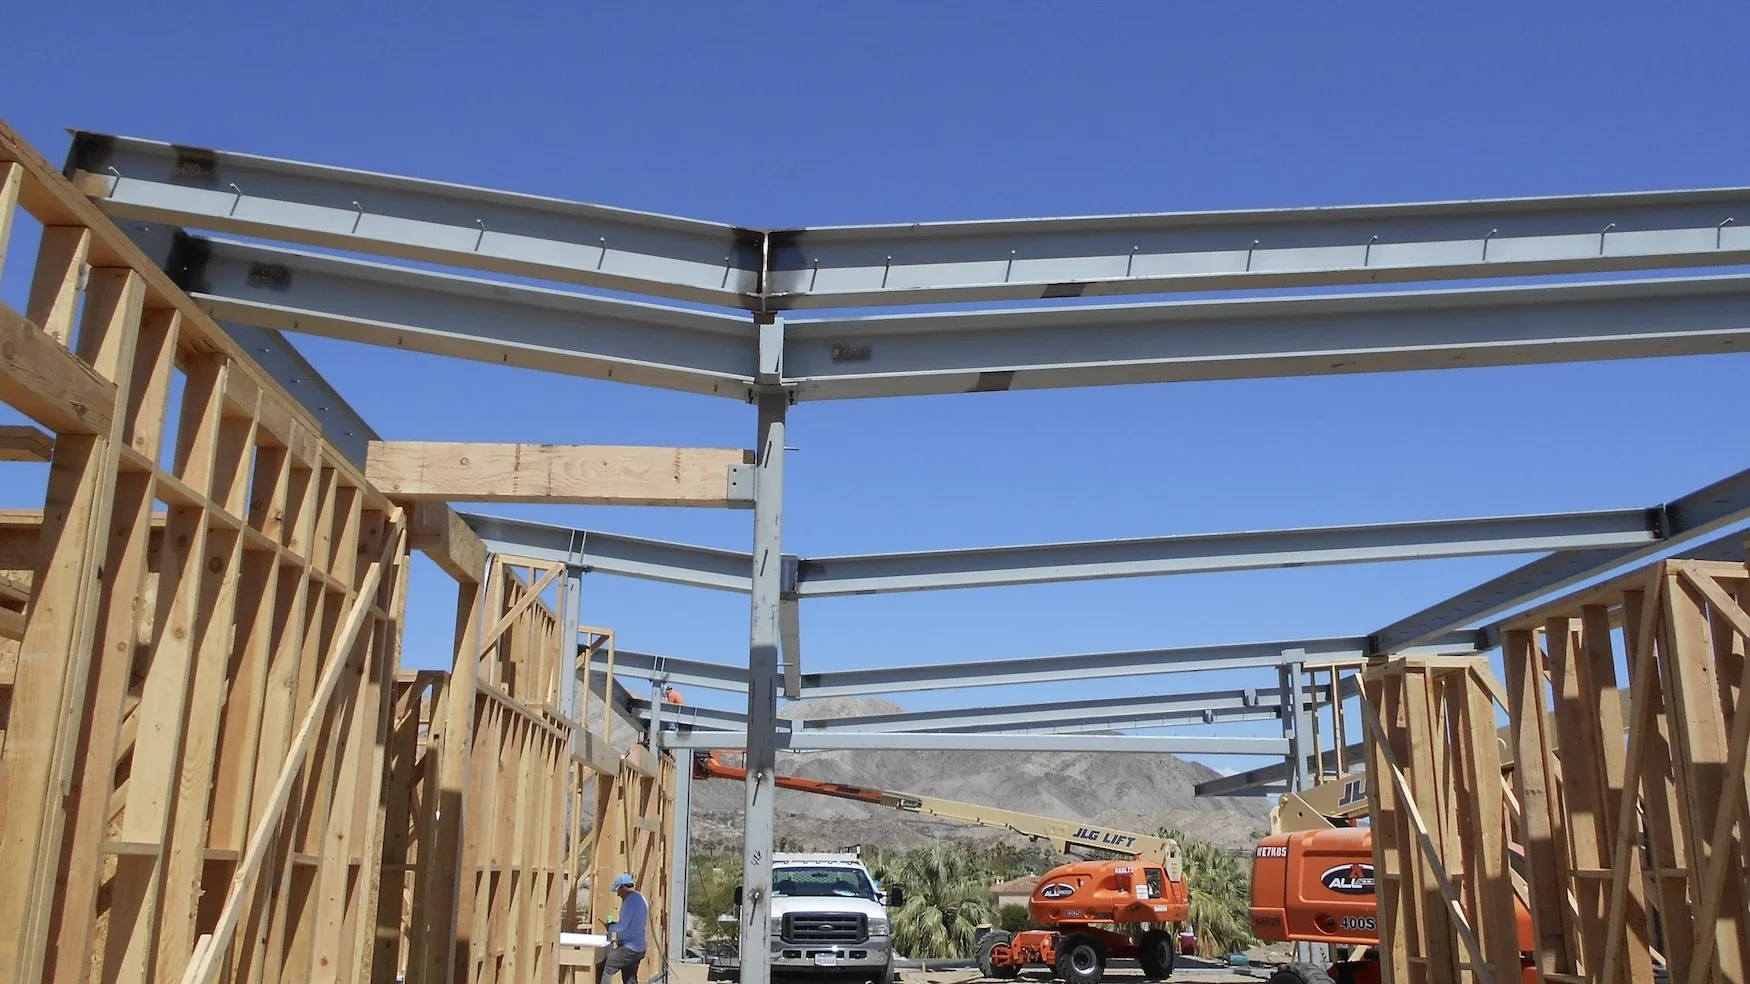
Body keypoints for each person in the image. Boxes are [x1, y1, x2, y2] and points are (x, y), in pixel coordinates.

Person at [597, 872, 648, 984]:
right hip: (639, 947)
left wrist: (610, 926)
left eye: (618, 891)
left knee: (606, 967)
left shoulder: (629, 902)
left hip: (630, 947)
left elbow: (622, 926)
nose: (618, 895)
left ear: (623, 887)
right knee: (629, 978)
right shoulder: (641, 898)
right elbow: (632, 923)